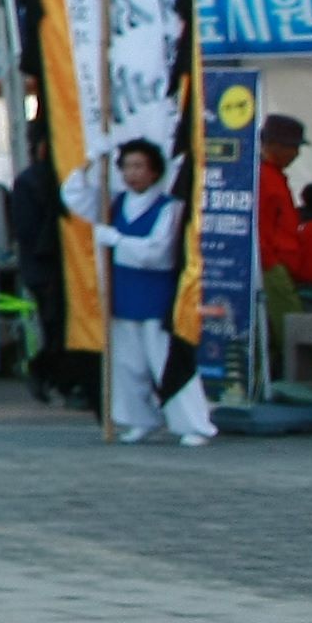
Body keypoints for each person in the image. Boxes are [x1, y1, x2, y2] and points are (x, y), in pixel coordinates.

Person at [61, 117, 217, 446]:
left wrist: (116, 239)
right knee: (128, 365)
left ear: (154, 171)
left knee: (164, 361)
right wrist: (94, 160)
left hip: (156, 294)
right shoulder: (113, 202)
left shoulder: (168, 208)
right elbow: (73, 195)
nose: (132, 173)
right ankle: (139, 419)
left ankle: (193, 425)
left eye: (139, 166)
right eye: (127, 166)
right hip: (123, 293)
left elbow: (157, 253)